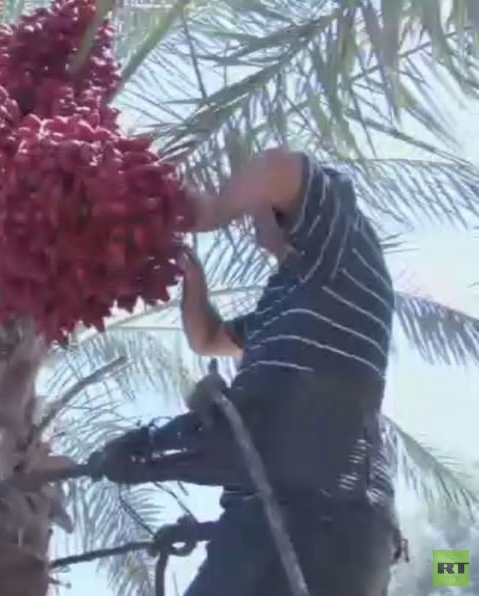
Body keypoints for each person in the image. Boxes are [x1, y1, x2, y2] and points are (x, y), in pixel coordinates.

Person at [90, 148, 401, 595]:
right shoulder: (286, 299)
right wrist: (190, 275)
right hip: (277, 520)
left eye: (257, 208)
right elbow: (208, 338)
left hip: (319, 518)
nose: (250, 218)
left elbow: (280, 169)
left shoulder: (340, 256)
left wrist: (207, 212)